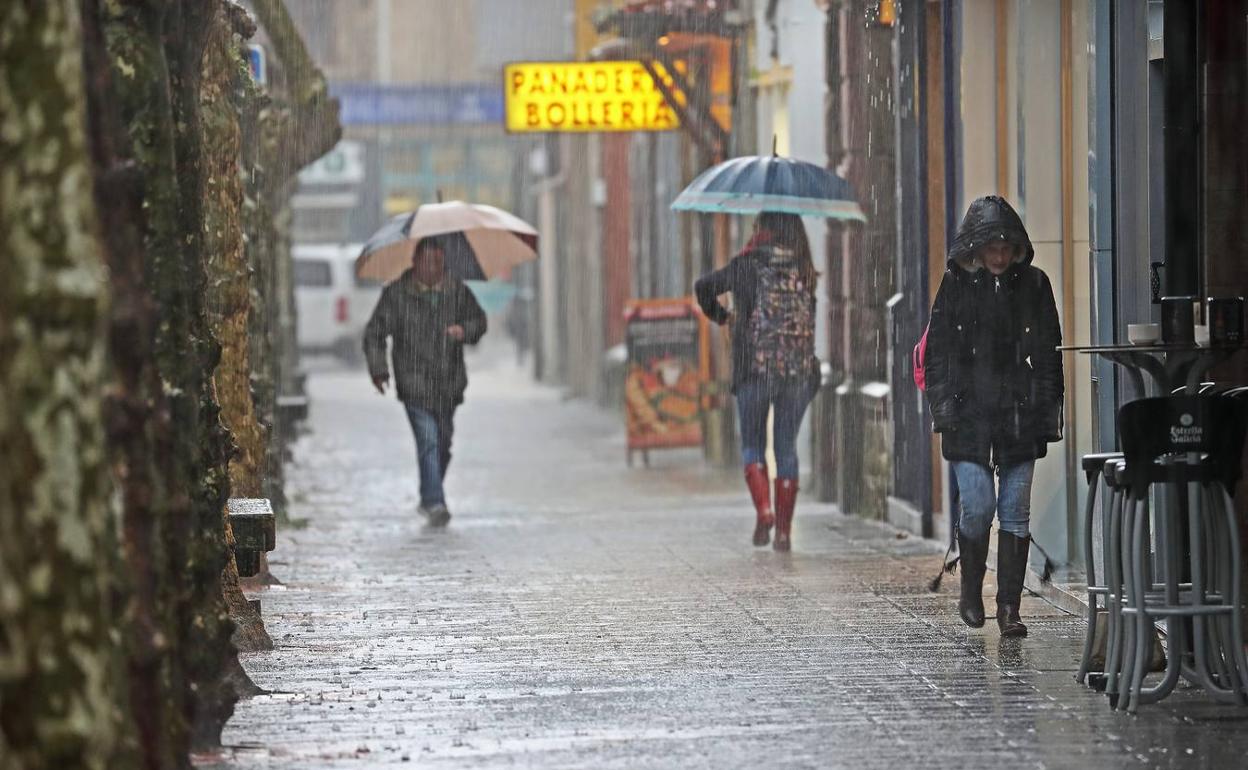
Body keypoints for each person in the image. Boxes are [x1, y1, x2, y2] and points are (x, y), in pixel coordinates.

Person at [924, 195, 1064, 637]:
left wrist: (1047, 412)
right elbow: (938, 354)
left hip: (1020, 417)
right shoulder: (956, 287)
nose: (1000, 255)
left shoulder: (1036, 286)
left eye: (1006, 246)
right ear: (976, 249)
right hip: (968, 419)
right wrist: (945, 410)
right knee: (979, 507)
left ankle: (1009, 608)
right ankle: (970, 589)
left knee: (1016, 513)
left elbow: (1049, 356)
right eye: (992, 247)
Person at [695, 212, 821, 552]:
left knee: (752, 444)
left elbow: (703, 287)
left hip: (754, 370)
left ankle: (764, 509)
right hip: (796, 373)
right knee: (786, 449)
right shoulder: (805, 269)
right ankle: (783, 531)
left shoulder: (747, 265)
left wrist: (724, 317)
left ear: (762, 231)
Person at [364, 237, 487, 525]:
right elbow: (375, 334)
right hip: (414, 382)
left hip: (448, 384)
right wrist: (379, 369)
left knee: (443, 443)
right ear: (415, 262)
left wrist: (463, 330)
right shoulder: (396, 295)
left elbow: (479, 322)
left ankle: (429, 492)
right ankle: (434, 502)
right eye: (428, 261)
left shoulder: (457, 291)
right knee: (428, 440)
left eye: (439, 261)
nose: (433, 267)